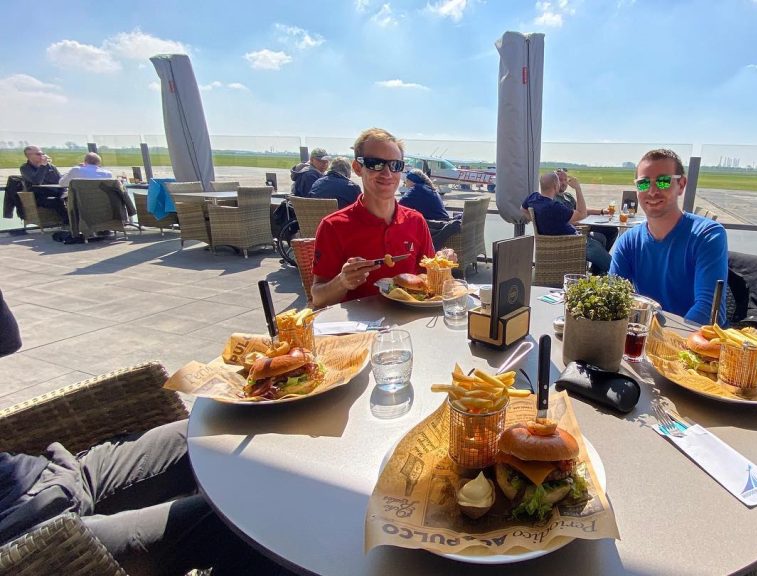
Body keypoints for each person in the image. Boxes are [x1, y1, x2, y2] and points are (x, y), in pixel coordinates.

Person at [0, 291, 281, 575]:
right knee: (261, 520)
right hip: (35, 535)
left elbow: (7, 337)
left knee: (222, 430)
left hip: (50, 473)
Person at [310, 128, 435, 306]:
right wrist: (342, 281)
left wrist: (442, 265)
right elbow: (318, 298)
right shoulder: (333, 226)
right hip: (358, 330)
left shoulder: (416, 221)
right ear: (357, 168)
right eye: (375, 163)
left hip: (410, 325)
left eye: (395, 165)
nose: (387, 173)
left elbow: (430, 279)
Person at [609, 148, 727, 324]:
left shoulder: (707, 235)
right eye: (643, 183)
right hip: (647, 339)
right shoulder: (629, 241)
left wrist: (662, 341)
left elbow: (708, 309)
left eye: (663, 182)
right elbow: (612, 298)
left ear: (681, 185)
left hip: (697, 342)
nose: (652, 191)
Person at [522, 171, 611, 275]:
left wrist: (536, 220)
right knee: (603, 253)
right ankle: (621, 274)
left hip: (567, 239)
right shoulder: (555, 207)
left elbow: (522, 209)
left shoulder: (533, 197)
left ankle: (599, 273)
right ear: (556, 185)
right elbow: (582, 214)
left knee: (600, 239)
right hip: (572, 244)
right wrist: (578, 189)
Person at [399, 169, 462, 250]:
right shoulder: (429, 188)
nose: (405, 184)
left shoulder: (416, 189)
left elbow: (399, 207)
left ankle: (406, 253)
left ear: (411, 180)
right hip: (444, 224)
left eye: (406, 181)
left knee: (406, 226)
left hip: (435, 228)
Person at [555, 168, 613, 250]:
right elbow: (574, 217)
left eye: (565, 180)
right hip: (576, 229)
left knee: (611, 230)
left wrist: (602, 211)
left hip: (582, 225)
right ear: (553, 182)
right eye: (560, 180)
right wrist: (578, 189)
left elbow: (581, 210)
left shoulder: (567, 196)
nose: (564, 183)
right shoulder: (554, 199)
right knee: (603, 236)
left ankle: (598, 261)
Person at [19, 145, 68, 224]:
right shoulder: (25, 168)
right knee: (57, 201)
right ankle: (68, 223)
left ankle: (83, 222)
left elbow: (60, 181)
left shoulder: (51, 167)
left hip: (57, 193)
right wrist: (43, 166)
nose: (42, 156)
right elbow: (36, 181)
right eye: (39, 154)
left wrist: (64, 192)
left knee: (74, 198)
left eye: (43, 153)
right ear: (29, 156)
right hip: (40, 197)